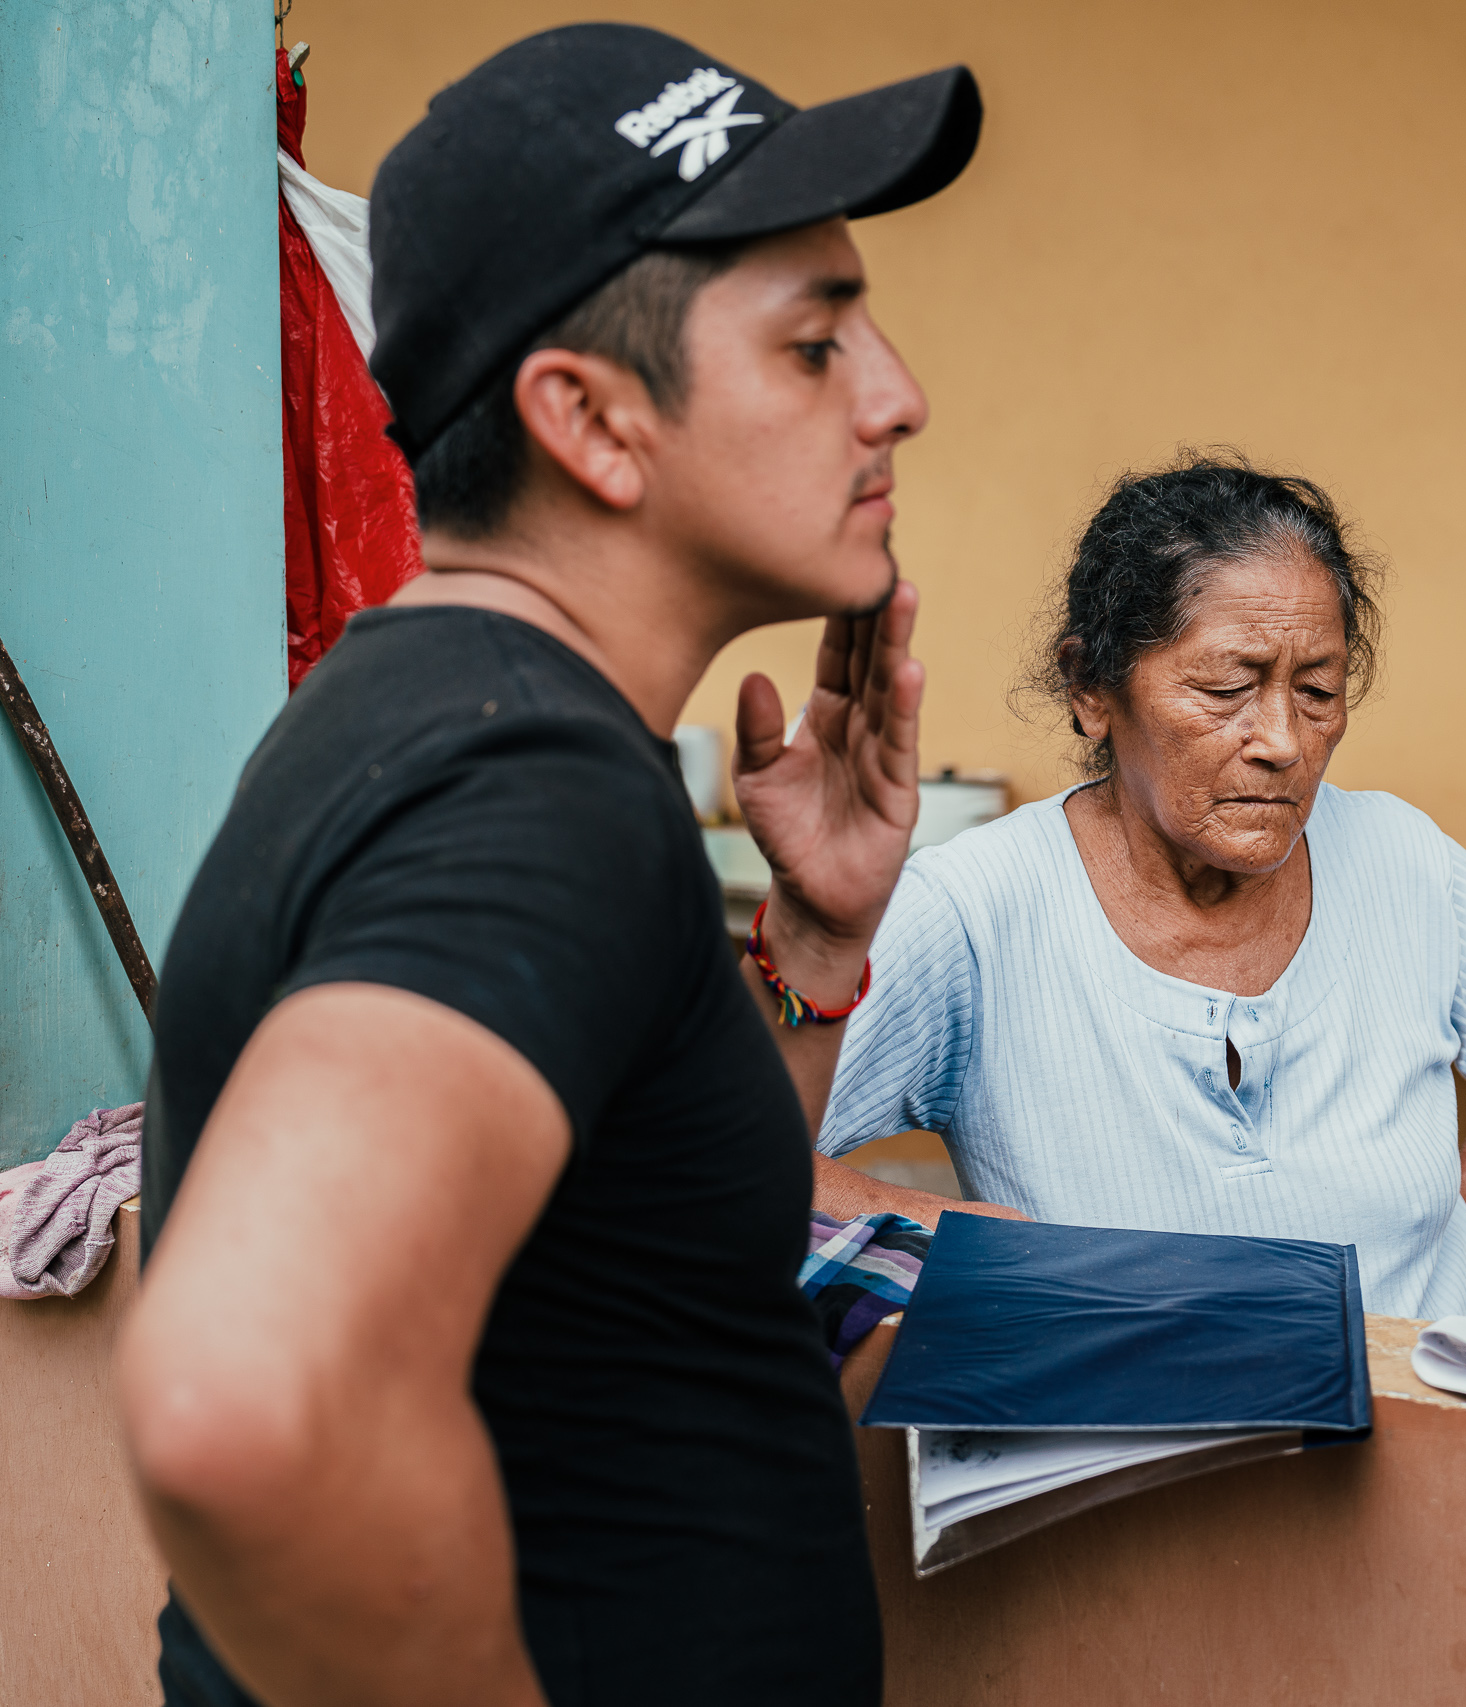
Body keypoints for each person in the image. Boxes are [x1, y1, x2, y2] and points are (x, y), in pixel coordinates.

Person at [116, 26, 989, 1707]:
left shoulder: (434, 713)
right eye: (816, 345)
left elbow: (613, 1265)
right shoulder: (531, 786)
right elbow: (243, 1396)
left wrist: (810, 944)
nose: (898, 394)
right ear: (588, 419)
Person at [812, 456, 1466, 1320]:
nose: (1282, 741)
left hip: (1411, 1421)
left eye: (1318, 691)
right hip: (1126, 1440)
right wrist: (957, 1235)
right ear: (1090, 687)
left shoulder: (1399, 858)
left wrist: (1451, 1222)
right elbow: (713, 1150)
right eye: (1228, 687)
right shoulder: (977, 911)